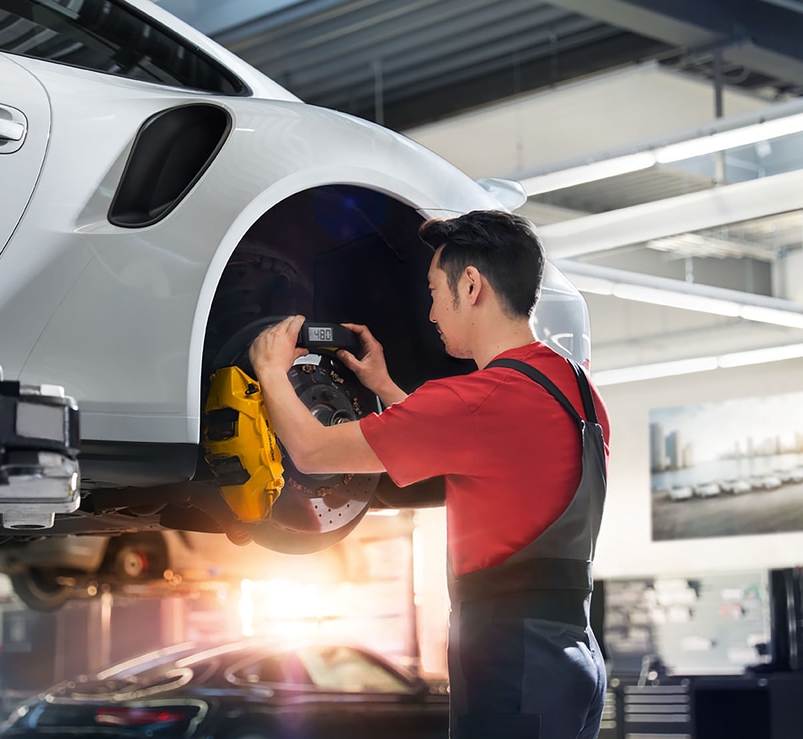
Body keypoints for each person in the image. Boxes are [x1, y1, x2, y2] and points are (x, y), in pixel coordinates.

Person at [248, 209, 610, 739]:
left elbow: (311, 451)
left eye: (435, 289)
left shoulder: (478, 399)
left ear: (471, 285)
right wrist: (386, 386)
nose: (432, 309)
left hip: (514, 659)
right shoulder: (574, 387)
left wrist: (270, 369)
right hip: (574, 652)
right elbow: (471, 451)